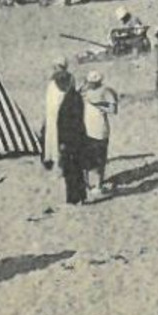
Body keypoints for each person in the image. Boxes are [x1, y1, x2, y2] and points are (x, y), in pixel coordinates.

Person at [53, 70, 89, 205]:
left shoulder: (69, 100)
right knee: (76, 169)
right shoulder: (74, 97)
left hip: (70, 140)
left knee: (71, 170)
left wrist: (62, 142)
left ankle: (75, 198)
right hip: (77, 138)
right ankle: (80, 196)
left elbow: (67, 123)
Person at [81, 72, 118, 194]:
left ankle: (98, 185)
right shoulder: (85, 91)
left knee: (100, 159)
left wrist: (98, 106)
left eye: (92, 83)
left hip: (100, 128)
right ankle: (86, 184)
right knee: (85, 159)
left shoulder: (106, 91)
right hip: (86, 128)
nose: (89, 85)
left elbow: (113, 110)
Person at [42, 59, 69, 168]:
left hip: (56, 113)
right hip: (57, 112)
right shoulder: (68, 79)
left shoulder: (56, 81)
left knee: (56, 136)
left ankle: (56, 159)